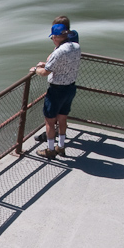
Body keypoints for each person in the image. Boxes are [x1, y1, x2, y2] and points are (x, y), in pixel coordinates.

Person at [29, 15, 81, 159]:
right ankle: (61, 147)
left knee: (50, 122)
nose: (52, 39)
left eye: (52, 37)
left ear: (56, 37)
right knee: (62, 119)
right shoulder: (76, 47)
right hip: (70, 88)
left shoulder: (58, 52)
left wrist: (35, 70)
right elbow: (62, 64)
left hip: (56, 91)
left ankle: (50, 150)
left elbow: (45, 72)